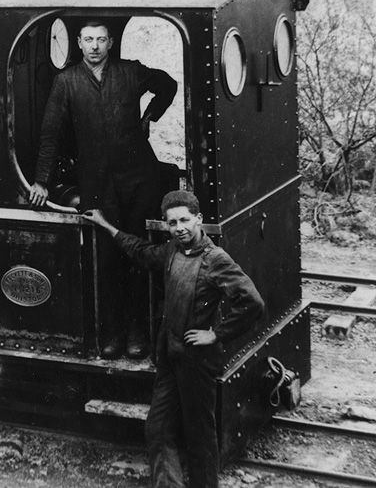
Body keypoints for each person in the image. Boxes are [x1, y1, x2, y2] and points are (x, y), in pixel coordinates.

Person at [82, 190, 264, 488]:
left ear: (199, 220)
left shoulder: (216, 259)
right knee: (158, 428)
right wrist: (106, 225)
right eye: (172, 222)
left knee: (199, 434)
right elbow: (139, 250)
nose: (179, 227)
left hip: (196, 360)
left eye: (185, 220)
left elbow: (252, 303)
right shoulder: (171, 251)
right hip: (169, 356)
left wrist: (216, 334)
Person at [29, 19, 177, 359]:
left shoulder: (131, 72)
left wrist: (150, 116)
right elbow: (50, 134)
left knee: (137, 253)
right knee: (106, 257)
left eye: (101, 40)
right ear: (79, 44)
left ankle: (138, 332)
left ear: (110, 43)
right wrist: (40, 180)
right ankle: (112, 334)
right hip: (96, 182)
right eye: (88, 40)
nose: (94, 46)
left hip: (140, 177)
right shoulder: (65, 82)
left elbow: (167, 85)